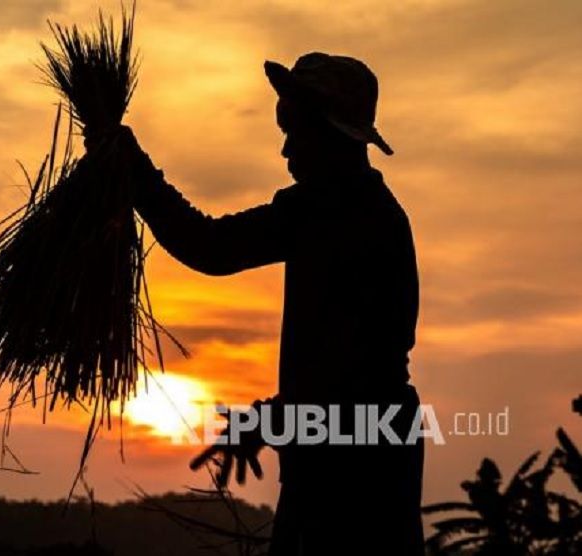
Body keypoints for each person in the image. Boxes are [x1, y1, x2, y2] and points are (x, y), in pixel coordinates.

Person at [112, 52, 424, 555]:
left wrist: (136, 172)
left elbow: (209, 246)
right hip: (366, 457)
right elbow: (347, 378)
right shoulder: (373, 214)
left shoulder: (329, 213)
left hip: (348, 479)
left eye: (294, 131)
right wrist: (272, 422)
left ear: (330, 134)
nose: (285, 149)